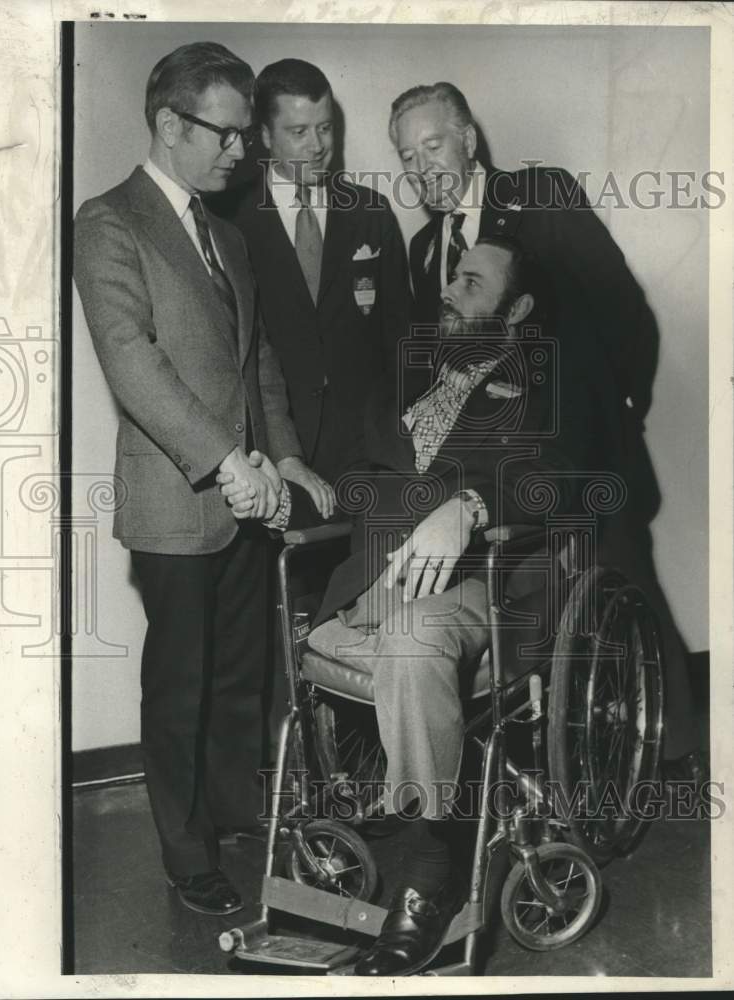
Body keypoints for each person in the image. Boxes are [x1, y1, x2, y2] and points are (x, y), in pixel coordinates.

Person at [219, 237, 601, 975]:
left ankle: (434, 867)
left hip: (485, 585)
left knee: (413, 643)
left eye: (470, 281)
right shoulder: (411, 374)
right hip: (376, 582)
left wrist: (471, 502)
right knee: (332, 634)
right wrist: (290, 479)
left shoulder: (549, 380)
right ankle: (413, 804)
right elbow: (360, 473)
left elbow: (563, 478)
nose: (448, 291)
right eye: (450, 277)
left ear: (516, 309)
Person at [388, 80, 703, 782]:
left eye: (433, 146)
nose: (422, 169)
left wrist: (611, 412)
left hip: (581, 451)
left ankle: (675, 750)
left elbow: (627, 316)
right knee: (525, 608)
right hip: (500, 464)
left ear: (468, 139)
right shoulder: (422, 250)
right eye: (407, 158)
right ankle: (543, 749)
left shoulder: (541, 196)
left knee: (626, 585)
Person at [73, 42, 324, 917]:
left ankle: (232, 814)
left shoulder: (228, 235)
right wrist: (227, 463)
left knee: (240, 674)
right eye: (225, 134)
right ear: (170, 124)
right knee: (179, 684)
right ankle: (186, 855)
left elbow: (257, 367)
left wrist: (282, 458)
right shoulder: (108, 221)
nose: (240, 153)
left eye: (247, 139)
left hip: (252, 496)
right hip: (178, 501)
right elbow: (134, 365)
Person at [227, 58, 412, 483]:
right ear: (266, 136)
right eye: (298, 132)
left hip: (367, 452)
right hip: (271, 452)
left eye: (325, 128)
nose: (317, 146)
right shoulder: (230, 221)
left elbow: (400, 335)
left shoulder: (372, 213)